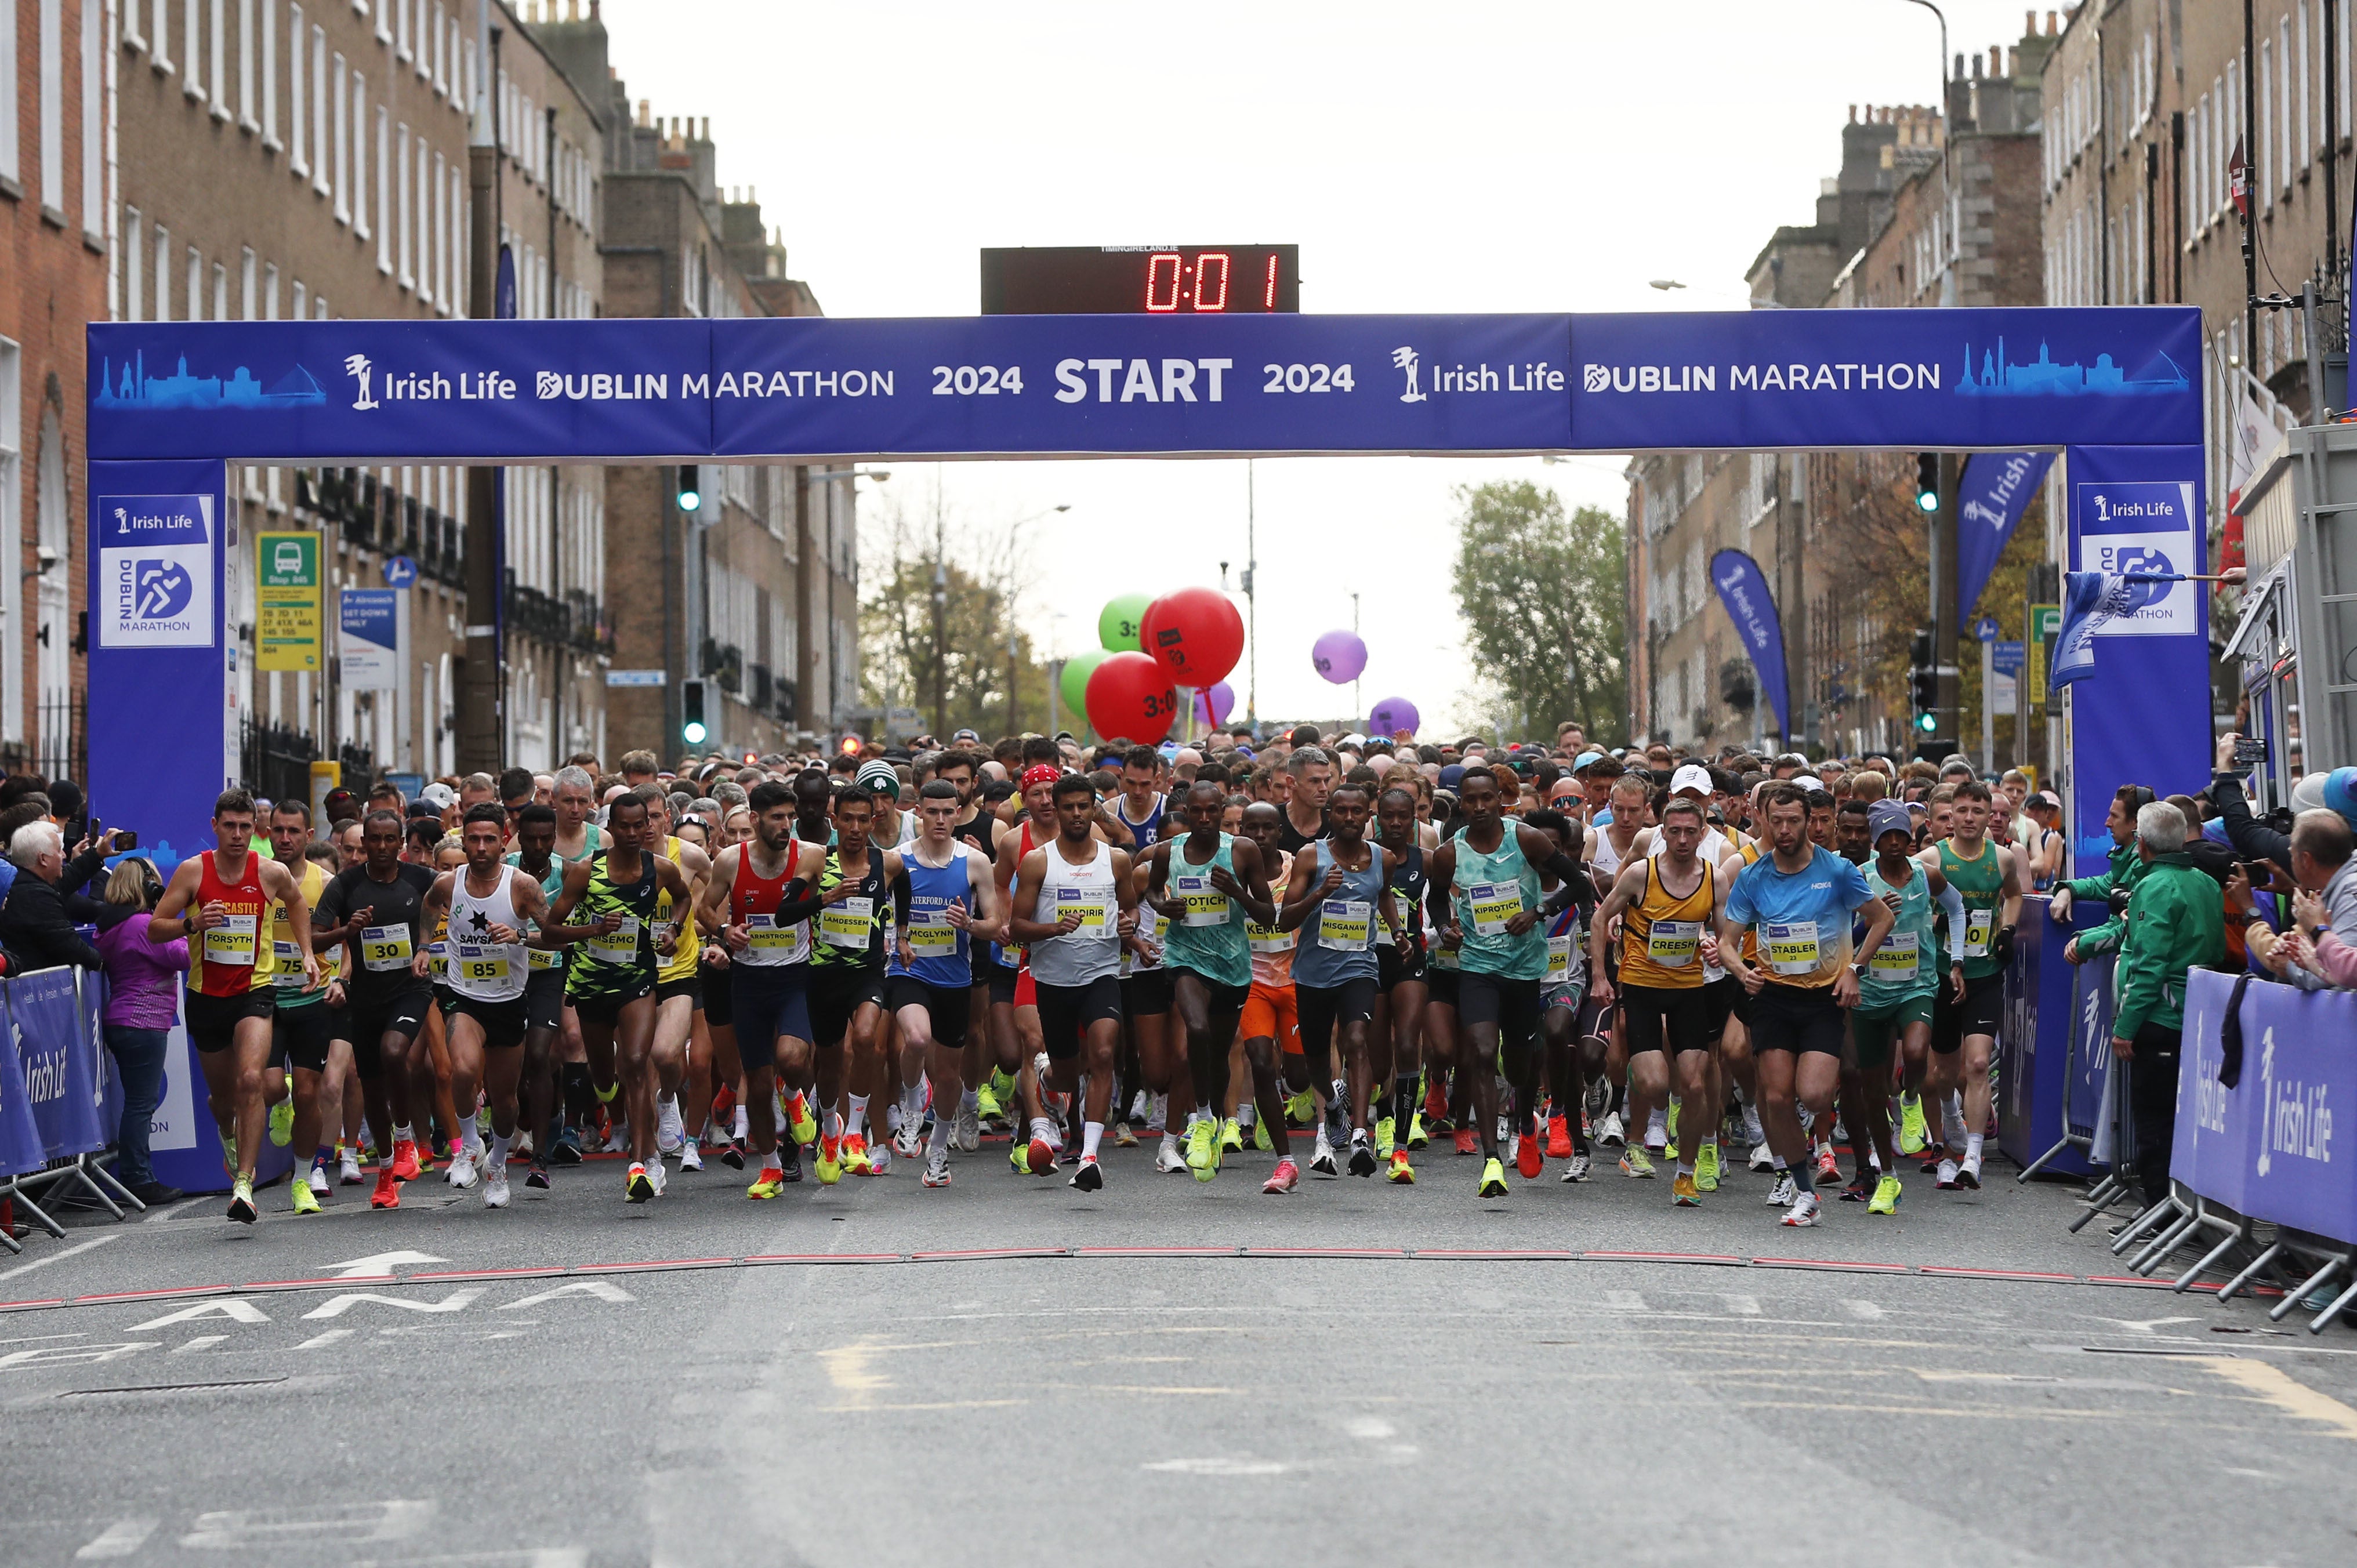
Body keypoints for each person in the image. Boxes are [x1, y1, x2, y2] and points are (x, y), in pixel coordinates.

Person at [1717, 783, 1894, 1228]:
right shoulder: (1754, 876)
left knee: (1813, 1095)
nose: (1784, 830)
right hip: (1773, 996)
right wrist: (1743, 972)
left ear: (1809, 820)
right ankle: (1805, 1190)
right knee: (1776, 1098)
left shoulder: (1835, 871)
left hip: (1822, 998)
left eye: (1793, 821)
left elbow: (1882, 918)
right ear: (1762, 819)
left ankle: (1806, 1135)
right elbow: (1727, 942)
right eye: (1775, 821)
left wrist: (1855, 967)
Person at [148, 789, 320, 1223]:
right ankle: (227, 1130)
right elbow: (154, 930)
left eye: (246, 827)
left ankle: (244, 1182)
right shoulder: (193, 871)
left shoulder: (270, 872)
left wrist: (308, 953)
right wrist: (193, 923)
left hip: (254, 992)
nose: (239, 835)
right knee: (224, 1100)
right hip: (206, 997)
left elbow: (297, 904)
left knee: (250, 1081)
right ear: (215, 826)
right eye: (230, 826)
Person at [1427, 767, 1593, 1197]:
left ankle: (1524, 1122)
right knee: (1482, 1051)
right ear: (1461, 803)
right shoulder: (1450, 853)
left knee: (1520, 1065)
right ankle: (1491, 1162)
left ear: (1501, 799)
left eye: (1487, 798)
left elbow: (1579, 883)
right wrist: (1446, 929)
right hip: (1478, 968)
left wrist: (1538, 912)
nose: (1479, 807)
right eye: (1470, 800)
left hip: (1525, 969)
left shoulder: (1526, 839)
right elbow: (1436, 901)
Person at [545, 792, 694, 1203]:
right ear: (610, 829)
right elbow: (551, 931)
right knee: (605, 1078)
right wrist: (592, 932)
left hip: (637, 982)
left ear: (650, 825)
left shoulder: (660, 869)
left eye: (640, 825)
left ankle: (643, 1164)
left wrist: (672, 931)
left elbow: (684, 898)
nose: (633, 833)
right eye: (624, 826)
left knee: (635, 1063)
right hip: (592, 986)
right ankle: (618, 1112)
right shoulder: (584, 873)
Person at [420, 804, 565, 1208]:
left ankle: (497, 1164)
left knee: (505, 1101)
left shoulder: (521, 886)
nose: (481, 848)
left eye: (489, 840)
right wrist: (421, 947)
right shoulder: (450, 883)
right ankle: (469, 1144)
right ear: (463, 840)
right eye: (473, 839)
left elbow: (556, 937)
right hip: (464, 996)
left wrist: (520, 937)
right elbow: (429, 907)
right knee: (463, 1069)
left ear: (504, 840)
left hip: (509, 999)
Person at [693, 780, 828, 1198]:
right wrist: (724, 931)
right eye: (777, 818)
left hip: (794, 977)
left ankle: (794, 1096)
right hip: (749, 981)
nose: (787, 825)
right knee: (756, 1077)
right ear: (754, 820)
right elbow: (704, 909)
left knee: (791, 1057)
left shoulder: (809, 855)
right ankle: (770, 1167)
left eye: (790, 817)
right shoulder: (732, 861)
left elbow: (809, 901)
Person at [1007, 774, 1139, 1192]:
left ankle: (1089, 1158)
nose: (1078, 814)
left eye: (1085, 806)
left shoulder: (1116, 860)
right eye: (1070, 807)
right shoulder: (1038, 862)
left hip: (1101, 975)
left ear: (1093, 808)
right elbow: (1016, 927)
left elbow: (1132, 911)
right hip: (1053, 980)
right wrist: (1052, 928)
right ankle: (1046, 1079)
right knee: (1067, 1076)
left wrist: (1127, 925)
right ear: (1057, 811)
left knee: (1102, 1053)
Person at [1588, 797, 1724, 1198]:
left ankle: (1686, 1173)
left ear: (1703, 835)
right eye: (1675, 831)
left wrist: (1718, 944)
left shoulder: (1714, 878)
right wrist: (1600, 977)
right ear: (1662, 833)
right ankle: (1633, 1117)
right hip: (1643, 987)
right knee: (1655, 1083)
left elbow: (1726, 927)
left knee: (1695, 1085)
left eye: (1690, 831)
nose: (1682, 839)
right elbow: (1599, 917)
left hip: (1689, 990)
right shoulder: (1638, 875)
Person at [1143, 778, 1277, 1183]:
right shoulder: (1169, 852)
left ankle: (1217, 1119)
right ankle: (1202, 1118)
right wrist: (1165, 906)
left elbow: (1268, 914)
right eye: (1195, 812)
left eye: (1211, 811)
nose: (1203, 818)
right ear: (1186, 814)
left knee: (1219, 1055)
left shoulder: (1242, 851)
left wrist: (1236, 892)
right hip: (1185, 958)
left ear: (1222, 812)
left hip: (1232, 966)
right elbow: (1150, 892)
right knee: (1195, 1030)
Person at [1279, 782, 1406, 1189]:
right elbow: (1285, 919)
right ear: (1329, 815)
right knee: (1316, 1059)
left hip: (1359, 967)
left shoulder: (1382, 858)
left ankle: (1359, 1135)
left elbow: (1384, 896)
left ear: (1368, 816)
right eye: (1342, 811)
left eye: (1357, 812)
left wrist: (1399, 931)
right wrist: (1320, 892)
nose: (1350, 818)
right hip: (1314, 974)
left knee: (1355, 1040)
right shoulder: (1309, 856)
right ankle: (1333, 1104)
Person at [1849, 800, 1967, 1215]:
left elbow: (1956, 907)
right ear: (1875, 840)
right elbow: (1842, 931)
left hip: (1916, 985)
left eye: (1902, 835)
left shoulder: (1925, 875)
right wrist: (1869, 922)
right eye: (1887, 837)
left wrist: (1956, 959)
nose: (1895, 843)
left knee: (1917, 1053)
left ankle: (1912, 1096)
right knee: (1872, 1087)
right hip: (1870, 991)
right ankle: (1887, 1176)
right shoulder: (1860, 879)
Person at [2107, 802, 2226, 1203]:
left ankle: (2160, 1209)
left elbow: (2148, 964)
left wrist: (2126, 1026)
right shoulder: (2208, 883)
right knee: (2184, 1119)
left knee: (2154, 1120)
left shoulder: (2154, 887)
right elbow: (2217, 948)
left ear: (2141, 844)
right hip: (2198, 1016)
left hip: (2160, 1018)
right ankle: (2181, 1208)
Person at [885, 781, 999, 1187]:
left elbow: (995, 925)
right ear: (919, 812)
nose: (939, 820)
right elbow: (875, 913)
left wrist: (969, 923)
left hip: (955, 978)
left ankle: (937, 1151)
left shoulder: (974, 862)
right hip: (908, 970)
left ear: (957, 813)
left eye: (948, 812)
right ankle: (913, 1102)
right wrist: (897, 941)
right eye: (932, 812)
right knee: (917, 1040)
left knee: (950, 1075)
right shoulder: (896, 859)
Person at [1919, 779, 2024, 1191]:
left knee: (1978, 1064)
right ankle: (1948, 1136)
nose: (1969, 819)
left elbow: (2014, 896)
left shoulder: (2002, 859)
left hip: (1984, 973)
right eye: (1961, 811)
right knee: (1943, 1072)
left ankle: (1973, 1158)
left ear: (1989, 817)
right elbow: (1910, 910)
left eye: (1978, 812)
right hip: (1941, 975)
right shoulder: (1931, 859)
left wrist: (2008, 929)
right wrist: (1936, 923)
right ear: (1950, 815)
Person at [808, 785, 901, 1182]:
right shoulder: (817, 863)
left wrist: (906, 937)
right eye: (848, 819)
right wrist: (823, 900)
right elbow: (790, 909)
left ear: (874, 821)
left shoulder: (889, 864)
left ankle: (854, 1133)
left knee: (865, 1039)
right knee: (829, 1064)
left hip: (867, 973)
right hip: (823, 975)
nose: (856, 827)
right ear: (835, 821)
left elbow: (905, 899)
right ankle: (830, 1130)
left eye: (864, 819)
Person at [96, 858, 186, 1204]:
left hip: (123, 1020)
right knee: (140, 1105)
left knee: (137, 1103)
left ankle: (138, 1174)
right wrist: (192, 925)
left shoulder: (112, 925)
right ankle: (138, 1177)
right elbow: (182, 956)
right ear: (145, 885)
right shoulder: (140, 925)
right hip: (143, 1021)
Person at [262, 800, 338, 1213]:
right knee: (272, 1085)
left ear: (309, 836)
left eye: (293, 831)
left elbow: (344, 940)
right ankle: (282, 1101)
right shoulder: (255, 878)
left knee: (311, 1093)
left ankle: (304, 1180)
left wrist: (340, 980)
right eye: (278, 830)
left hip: (313, 997)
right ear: (268, 831)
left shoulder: (325, 882)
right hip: (267, 997)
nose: (285, 839)